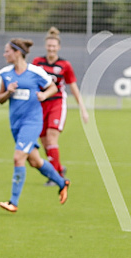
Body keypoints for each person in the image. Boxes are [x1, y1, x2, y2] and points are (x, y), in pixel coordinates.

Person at [0, 38, 70, 213]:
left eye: (7, 51)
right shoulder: (5, 74)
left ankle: (13, 202)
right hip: (16, 124)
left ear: (17, 53)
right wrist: (9, 92)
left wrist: (44, 96)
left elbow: (53, 87)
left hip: (32, 122)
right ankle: (62, 182)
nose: (4, 54)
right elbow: (0, 99)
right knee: (35, 161)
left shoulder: (35, 72)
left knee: (18, 158)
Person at [32, 27, 89, 185]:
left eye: (54, 46)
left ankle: (56, 176)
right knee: (44, 142)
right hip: (41, 104)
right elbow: (31, 81)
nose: (51, 48)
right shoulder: (38, 62)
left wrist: (82, 109)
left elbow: (73, 87)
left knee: (51, 138)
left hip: (57, 103)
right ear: (46, 46)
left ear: (58, 47)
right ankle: (58, 169)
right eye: (49, 46)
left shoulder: (65, 65)